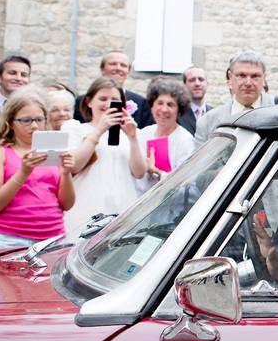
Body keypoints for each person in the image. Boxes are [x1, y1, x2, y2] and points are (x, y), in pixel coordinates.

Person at [0, 89, 75, 249]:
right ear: (11, 122)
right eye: (26, 120)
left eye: (39, 119)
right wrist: (23, 173)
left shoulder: (53, 151)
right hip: (8, 239)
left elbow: (67, 204)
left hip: (53, 238)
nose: (34, 126)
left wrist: (66, 174)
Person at [63, 78, 146, 235]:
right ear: (89, 102)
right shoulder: (75, 129)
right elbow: (74, 165)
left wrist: (133, 137)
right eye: (102, 99)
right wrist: (99, 130)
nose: (108, 104)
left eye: (114, 100)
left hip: (121, 209)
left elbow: (139, 172)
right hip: (86, 208)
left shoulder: (131, 134)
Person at [195, 52, 278, 146]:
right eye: (242, 76)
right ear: (230, 78)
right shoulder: (207, 123)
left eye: (255, 76)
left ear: (264, 78)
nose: (248, 83)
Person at [135, 79, 195, 194]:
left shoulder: (185, 140)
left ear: (179, 111)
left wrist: (156, 171)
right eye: (160, 103)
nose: (164, 109)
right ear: (152, 106)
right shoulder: (143, 134)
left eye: (170, 104)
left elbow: (185, 183)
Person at [75, 51, 153, 128]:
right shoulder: (81, 101)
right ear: (102, 69)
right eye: (113, 64)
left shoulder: (141, 102)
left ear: (128, 71)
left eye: (123, 65)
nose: (118, 68)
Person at [178, 66, 211, 135]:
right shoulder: (177, 114)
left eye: (201, 79)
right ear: (184, 85)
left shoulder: (215, 114)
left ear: (207, 84)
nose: (197, 83)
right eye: (192, 80)